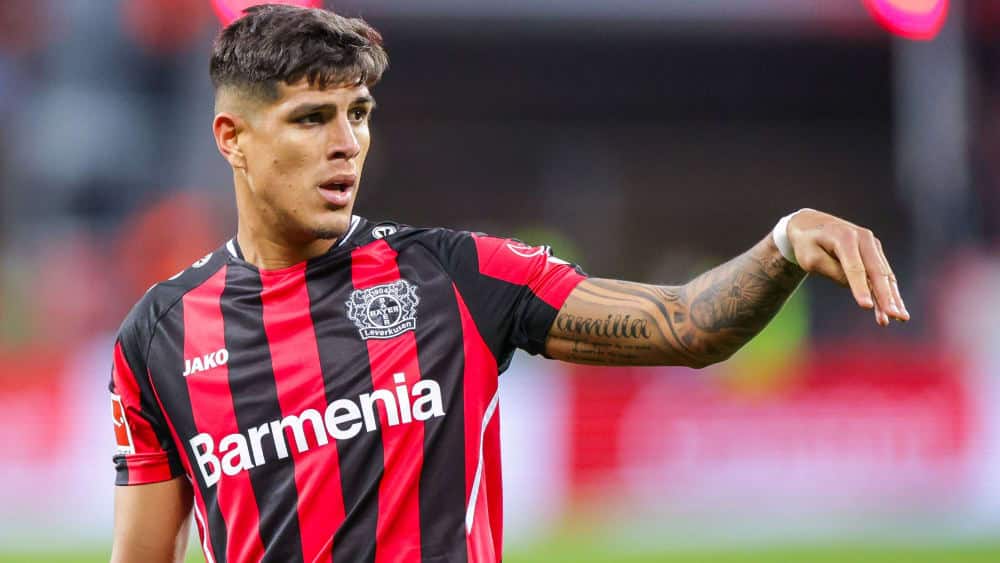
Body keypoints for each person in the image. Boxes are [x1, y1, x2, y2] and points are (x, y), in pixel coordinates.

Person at [108, 5, 909, 563]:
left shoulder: (455, 276)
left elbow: (688, 324)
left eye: (359, 112)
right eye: (313, 118)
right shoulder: (159, 336)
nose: (346, 142)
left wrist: (781, 245)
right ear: (233, 139)